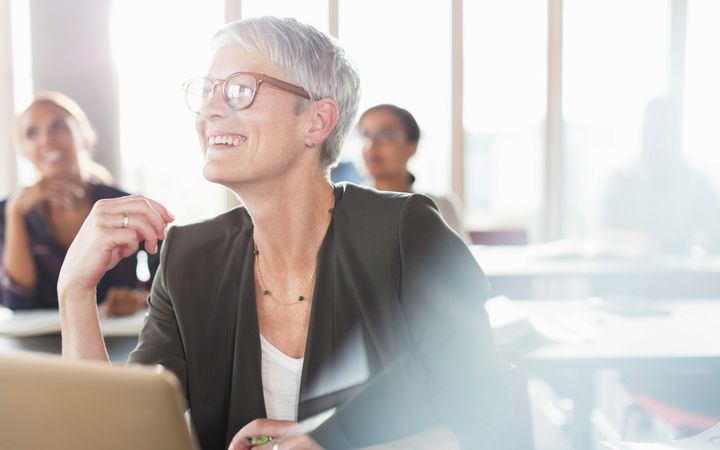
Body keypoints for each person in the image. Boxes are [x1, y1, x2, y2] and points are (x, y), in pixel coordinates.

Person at [58, 17, 513, 450]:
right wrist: (75, 290)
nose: (211, 111)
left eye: (239, 90)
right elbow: (118, 435)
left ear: (316, 121)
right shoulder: (188, 257)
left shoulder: (404, 232)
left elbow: (488, 425)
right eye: (208, 91)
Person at [0, 92, 156, 316]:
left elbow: (170, 284)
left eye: (58, 126)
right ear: (23, 149)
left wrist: (143, 299)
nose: (46, 139)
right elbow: (17, 300)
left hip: (115, 343)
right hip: (35, 349)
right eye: (32, 133)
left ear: (84, 135)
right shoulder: (6, 212)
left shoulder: (125, 206)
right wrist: (14, 214)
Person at [598, 97, 720, 255]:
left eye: (663, 130)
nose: (656, 137)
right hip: (627, 276)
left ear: (676, 135)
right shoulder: (620, 182)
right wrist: (643, 241)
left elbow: (716, 232)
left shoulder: (696, 185)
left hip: (680, 276)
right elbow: (601, 235)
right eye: (650, 128)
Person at [357, 104, 471, 244]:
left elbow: (459, 264)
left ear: (412, 146)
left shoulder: (439, 208)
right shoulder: (345, 209)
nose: (371, 145)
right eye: (365, 135)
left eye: (385, 135)